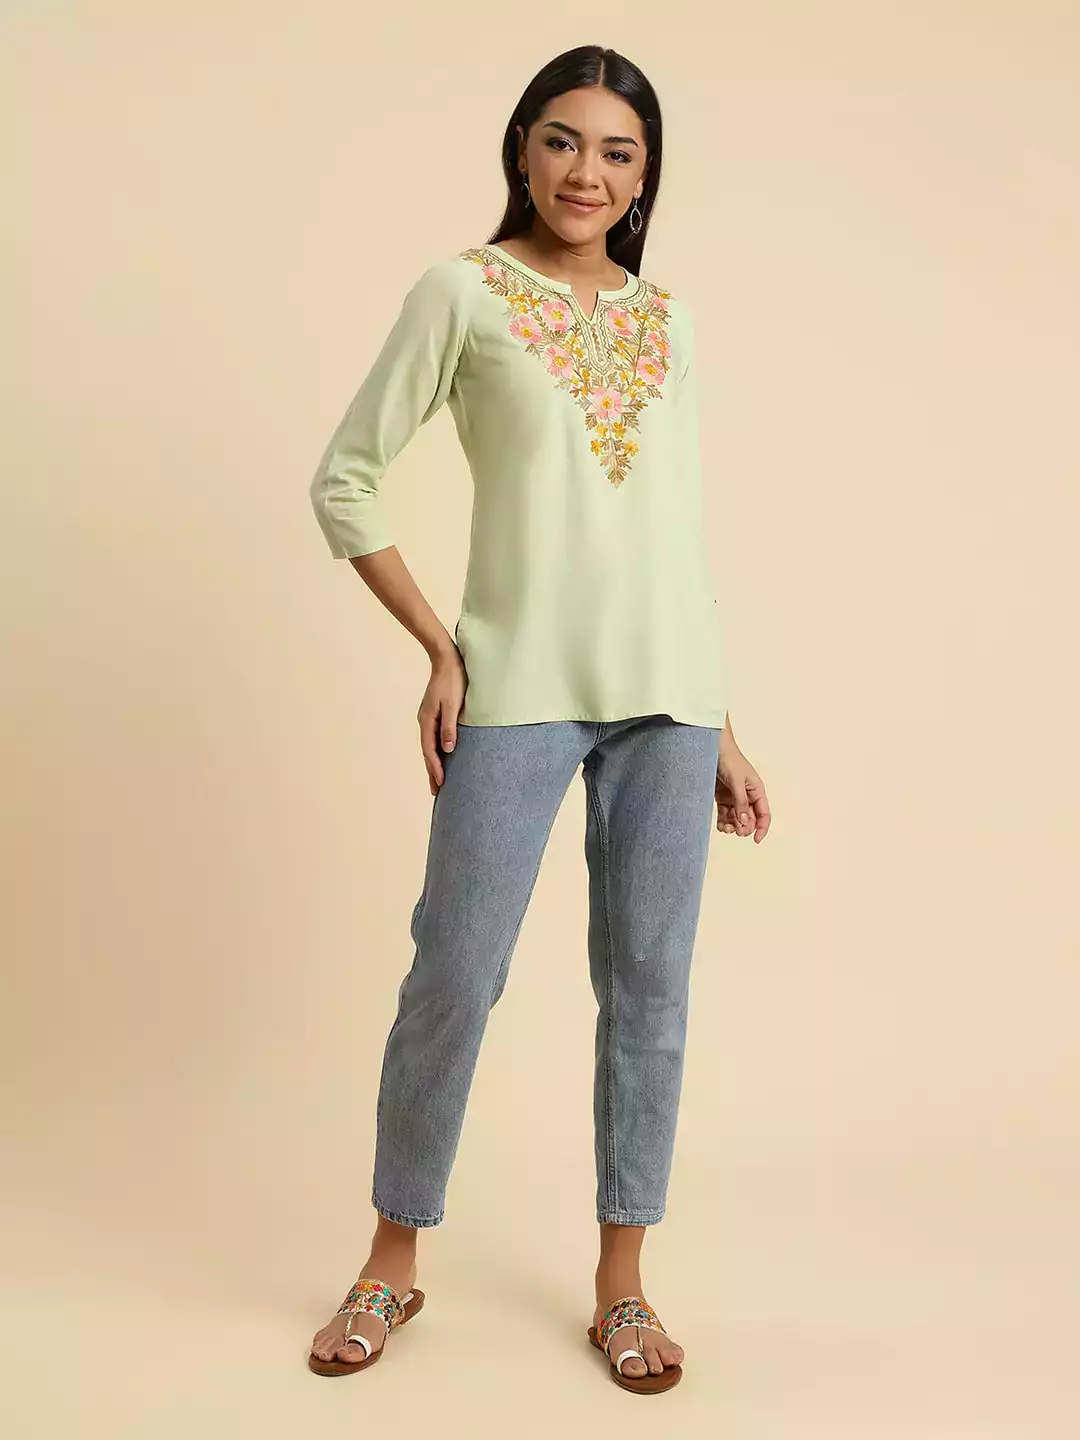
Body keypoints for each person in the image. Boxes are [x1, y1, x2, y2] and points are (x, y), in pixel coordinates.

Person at [305, 43, 771, 1394]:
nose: (587, 173)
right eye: (564, 141)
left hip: (669, 701)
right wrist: (441, 647)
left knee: (650, 988)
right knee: (454, 972)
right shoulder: (461, 291)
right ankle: (391, 1260)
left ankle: (624, 1285)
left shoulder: (669, 319)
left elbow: (669, 534)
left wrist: (721, 720)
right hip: (515, 690)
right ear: (523, 147)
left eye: (619, 152)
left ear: (646, 175)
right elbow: (344, 480)